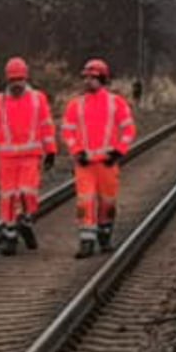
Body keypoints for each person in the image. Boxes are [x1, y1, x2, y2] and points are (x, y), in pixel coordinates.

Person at [0, 57, 57, 255]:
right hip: (6, 159)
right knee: (8, 198)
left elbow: (46, 126)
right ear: (7, 80)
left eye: (19, 79)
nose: (16, 84)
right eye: (13, 80)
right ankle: (10, 237)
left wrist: (51, 151)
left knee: (27, 192)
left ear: (26, 78)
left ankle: (26, 221)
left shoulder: (38, 99)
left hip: (30, 156)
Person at [61, 59, 136, 259]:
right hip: (84, 164)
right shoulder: (75, 105)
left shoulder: (116, 103)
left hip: (107, 163)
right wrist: (77, 151)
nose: (88, 81)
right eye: (85, 77)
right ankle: (86, 241)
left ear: (102, 79)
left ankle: (105, 237)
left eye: (92, 78)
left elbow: (129, 129)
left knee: (107, 203)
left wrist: (119, 151)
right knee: (85, 202)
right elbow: (67, 132)